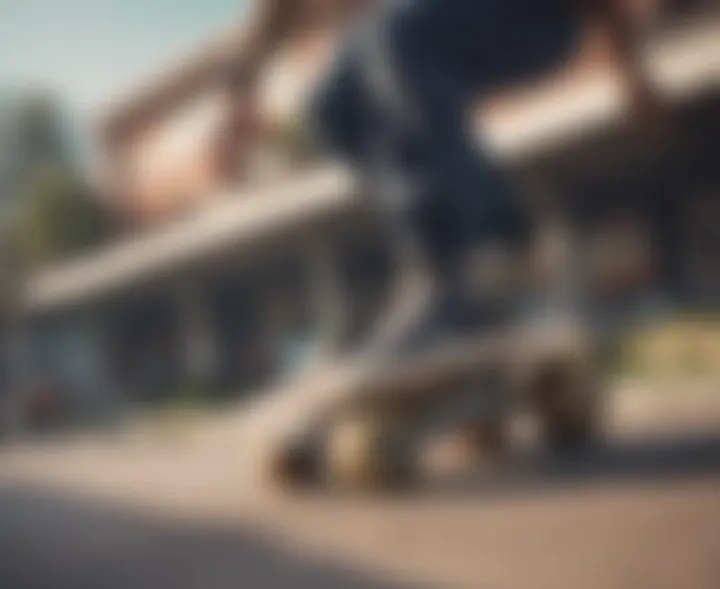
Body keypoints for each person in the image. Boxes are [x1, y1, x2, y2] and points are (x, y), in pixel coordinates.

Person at [223, 0, 664, 357]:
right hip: (437, 28)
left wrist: (632, 70)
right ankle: (464, 253)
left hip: (541, 21)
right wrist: (240, 98)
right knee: (333, 104)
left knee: (396, 34)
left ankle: (473, 252)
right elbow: (275, 11)